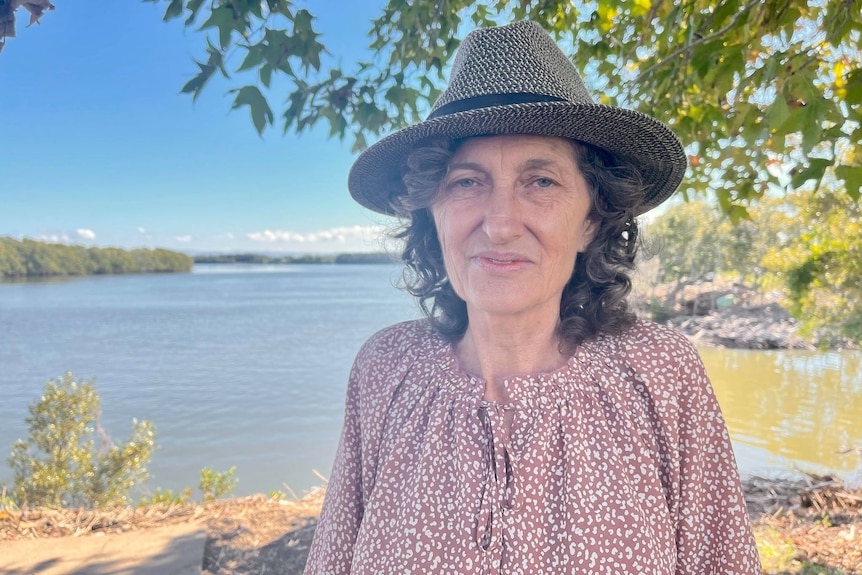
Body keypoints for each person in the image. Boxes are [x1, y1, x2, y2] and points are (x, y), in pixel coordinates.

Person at [304, 20, 762, 575]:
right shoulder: (385, 368)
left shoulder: (661, 373)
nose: (499, 225)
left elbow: (723, 559)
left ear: (592, 218)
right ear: (433, 216)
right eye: (466, 182)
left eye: (540, 182)